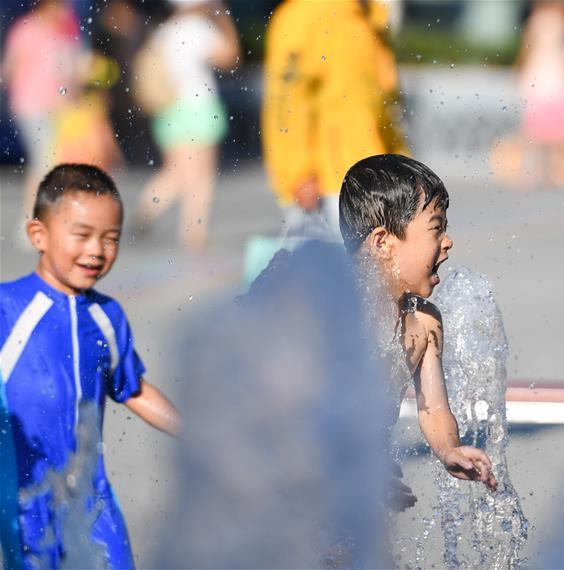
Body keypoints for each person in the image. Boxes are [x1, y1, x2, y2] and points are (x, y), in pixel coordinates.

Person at [1, 164, 180, 568]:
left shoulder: (107, 317)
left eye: (110, 239)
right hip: (23, 501)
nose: (97, 250)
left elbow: (132, 388)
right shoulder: (7, 308)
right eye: (81, 235)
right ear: (38, 235)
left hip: (92, 499)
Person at [339, 154, 497, 509]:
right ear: (382, 243)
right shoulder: (333, 315)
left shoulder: (424, 323)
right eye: (436, 227)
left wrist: (449, 449)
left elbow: (434, 408)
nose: (448, 240)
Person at [262, 0, 407, 242]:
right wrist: (297, 172)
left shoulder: (369, 15)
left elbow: (383, 104)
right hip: (330, 182)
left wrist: (402, 162)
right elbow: (286, 101)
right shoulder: (302, 15)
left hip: (375, 173)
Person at [134, 0, 239, 250]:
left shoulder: (165, 30)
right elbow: (230, 57)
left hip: (169, 108)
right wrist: (224, 19)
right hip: (197, 106)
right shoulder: (198, 28)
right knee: (201, 175)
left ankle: (148, 206)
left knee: (177, 171)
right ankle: (194, 232)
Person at [1, 0, 83, 247]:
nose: (65, 12)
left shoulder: (63, 31)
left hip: (58, 108)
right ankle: (32, 221)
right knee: (45, 161)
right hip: (32, 105)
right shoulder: (27, 30)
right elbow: (10, 68)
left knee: (52, 162)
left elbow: (70, 69)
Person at [516, 1, 564, 188]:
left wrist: (519, 69)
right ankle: (559, 171)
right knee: (559, 133)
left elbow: (527, 48)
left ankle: (535, 171)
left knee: (535, 132)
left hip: (538, 78)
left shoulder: (536, 21)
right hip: (557, 79)